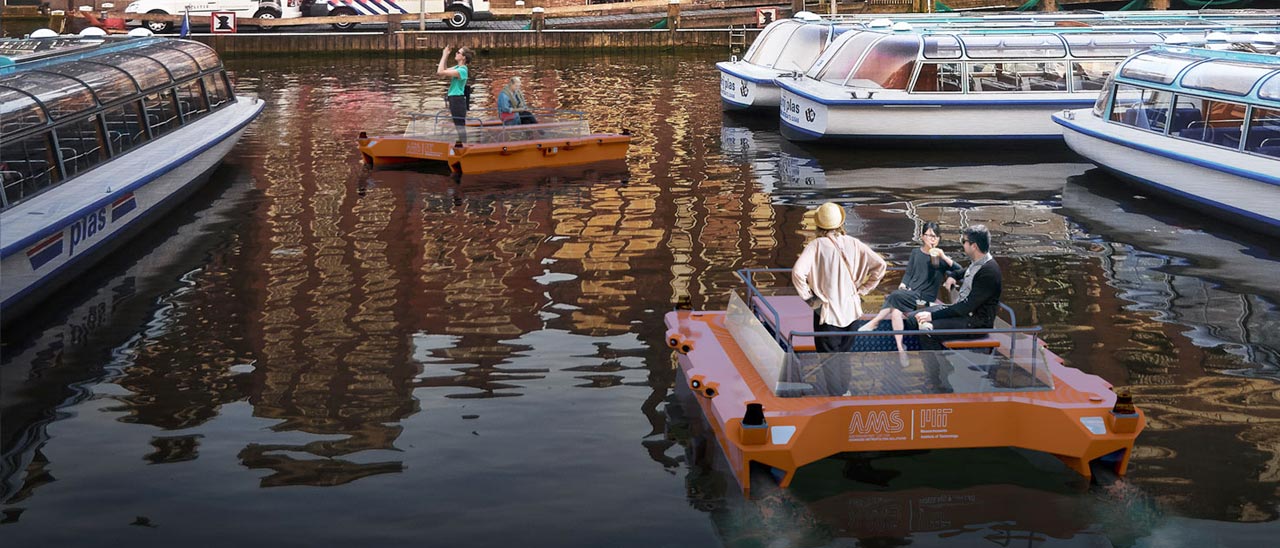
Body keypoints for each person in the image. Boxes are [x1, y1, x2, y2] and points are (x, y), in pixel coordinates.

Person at [792, 202, 887, 354]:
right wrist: (864, 289)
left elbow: (798, 272)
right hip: (851, 310)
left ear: (818, 224)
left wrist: (809, 298)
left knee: (828, 362)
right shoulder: (854, 243)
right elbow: (881, 265)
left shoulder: (816, 245)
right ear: (840, 223)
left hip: (828, 312)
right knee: (844, 359)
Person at [858, 221, 962, 351]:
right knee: (895, 311)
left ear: (939, 239)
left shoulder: (940, 258)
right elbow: (909, 273)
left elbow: (961, 270)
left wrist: (944, 257)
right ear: (922, 237)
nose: (932, 239)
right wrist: (903, 284)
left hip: (926, 297)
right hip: (912, 294)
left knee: (894, 296)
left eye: (935, 236)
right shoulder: (915, 253)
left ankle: (875, 322)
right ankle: (900, 348)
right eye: (929, 235)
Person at [906, 224, 1002, 349]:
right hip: (962, 312)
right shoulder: (978, 263)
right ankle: (937, 356)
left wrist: (932, 316)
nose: (962, 245)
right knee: (913, 318)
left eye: (964, 241)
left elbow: (967, 306)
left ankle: (940, 367)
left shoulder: (989, 271)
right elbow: (963, 272)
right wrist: (953, 276)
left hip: (975, 323)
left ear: (974, 246)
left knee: (926, 328)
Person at [437, 46, 473, 144]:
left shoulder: (462, 70)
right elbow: (444, 71)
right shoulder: (458, 67)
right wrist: (446, 56)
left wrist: (443, 55)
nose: (456, 53)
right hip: (454, 99)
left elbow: (440, 72)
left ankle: (463, 146)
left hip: (457, 100)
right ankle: (461, 144)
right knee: (458, 126)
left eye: (458, 52)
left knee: (460, 126)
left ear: (464, 57)